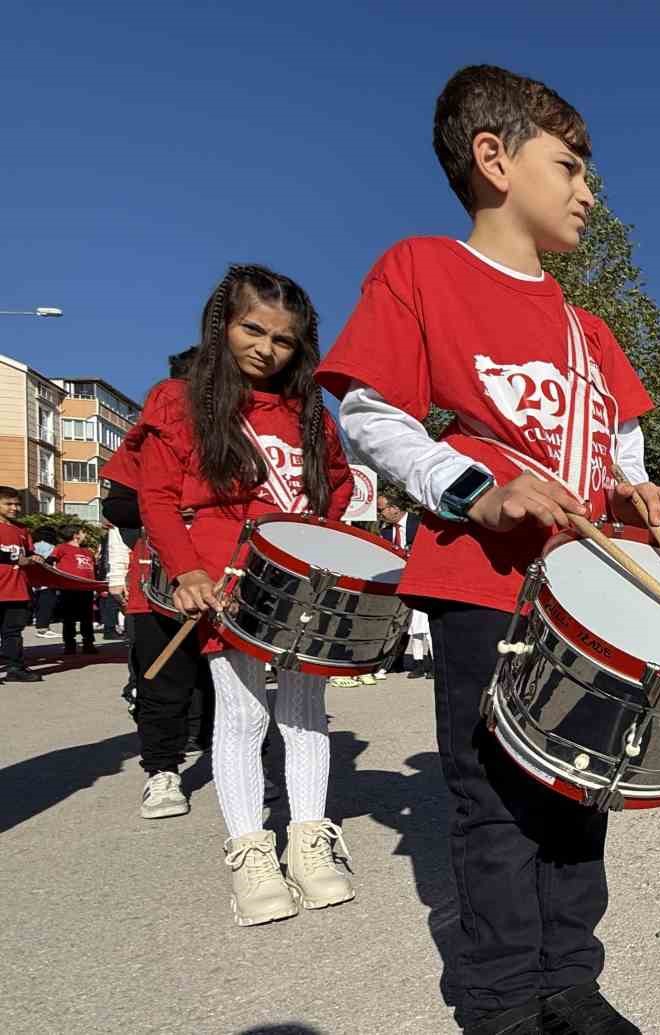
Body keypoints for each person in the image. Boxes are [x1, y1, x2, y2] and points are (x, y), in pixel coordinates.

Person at [316, 64, 660, 1034]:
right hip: (481, 585)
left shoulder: (588, 328)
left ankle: (571, 983)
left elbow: (620, 447)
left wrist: (638, 490)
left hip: (593, 593)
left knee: (581, 794)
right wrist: (477, 491)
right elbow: (370, 412)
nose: (588, 192)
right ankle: (499, 1003)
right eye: (568, 165)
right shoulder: (423, 270)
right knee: (493, 802)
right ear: (493, 158)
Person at [137, 264, 356, 925]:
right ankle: (250, 853)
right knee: (242, 717)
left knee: (304, 712)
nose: (265, 347)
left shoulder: (309, 412)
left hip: (300, 586)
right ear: (221, 325)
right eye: (251, 329)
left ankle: (310, 842)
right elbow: (157, 496)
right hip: (224, 587)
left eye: (282, 339)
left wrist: (326, 539)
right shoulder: (179, 400)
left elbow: (339, 485)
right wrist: (185, 570)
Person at [375, 495, 431, 680]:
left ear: (395, 508)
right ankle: (396, 661)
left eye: (381, 509)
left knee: (423, 625)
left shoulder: (421, 525)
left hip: (422, 582)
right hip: (398, 584)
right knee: (401, 624)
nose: (379, 514)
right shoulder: (385, 533)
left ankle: (430, 663)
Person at [0, 487, 42, 681]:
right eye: (8, 504)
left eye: (17, 504)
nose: (15, 508)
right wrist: (17, 558)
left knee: (13, 632)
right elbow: (18, 558)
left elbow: (29, 554)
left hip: (17, 589)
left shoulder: (22, 529)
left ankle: (15, 668)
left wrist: (36, 558)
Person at [50, 526, 98, 655]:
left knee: (87, 617)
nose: (85, 536)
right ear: (76, 535)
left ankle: (88, 643)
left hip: (86, 588)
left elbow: (94, 569)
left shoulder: (88, 551)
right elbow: (50, 561)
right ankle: (69, 644)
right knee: (69, 618)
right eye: (83, 533)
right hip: (69, 588)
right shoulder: (61, 548)